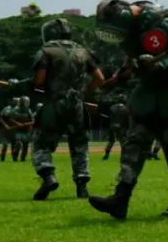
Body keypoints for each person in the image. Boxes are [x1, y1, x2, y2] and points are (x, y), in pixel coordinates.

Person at [88, 0, 168, 220]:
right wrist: (120, 76)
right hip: (147, 91)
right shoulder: (129, 30)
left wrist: (162, 64)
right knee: (134, 144)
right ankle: (120, 200)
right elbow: (133, 59)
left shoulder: (159, 22)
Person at [15, 18, 104, 200]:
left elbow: (39, 81)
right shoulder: (83, 51)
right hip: (77, 105)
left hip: (54, 104)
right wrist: (84, 92)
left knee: (41, 143)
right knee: (79, 144)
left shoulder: (46, 51)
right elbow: (100, 79)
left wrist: (20, 85)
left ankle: (48, 177)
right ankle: (82, 186)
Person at [102, 89, 129, 160]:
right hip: (121, 127)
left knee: (111, 141)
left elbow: (110, 117)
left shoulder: (112, 107)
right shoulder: (126, 108)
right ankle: (123, 156)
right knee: (123, 141)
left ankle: (106, 155)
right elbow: (127, 119)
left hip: (112, 126)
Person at [0, 97, 19, 162]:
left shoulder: (20, 109)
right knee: (5, 145)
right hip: (6, 130)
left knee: (15, 146)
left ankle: (15, 159)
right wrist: (5, 125)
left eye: (16, 101)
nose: (15, 102)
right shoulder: (6, 108)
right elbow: (0, 118)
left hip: (15, 130)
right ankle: (2, 158)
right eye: (14, 101)